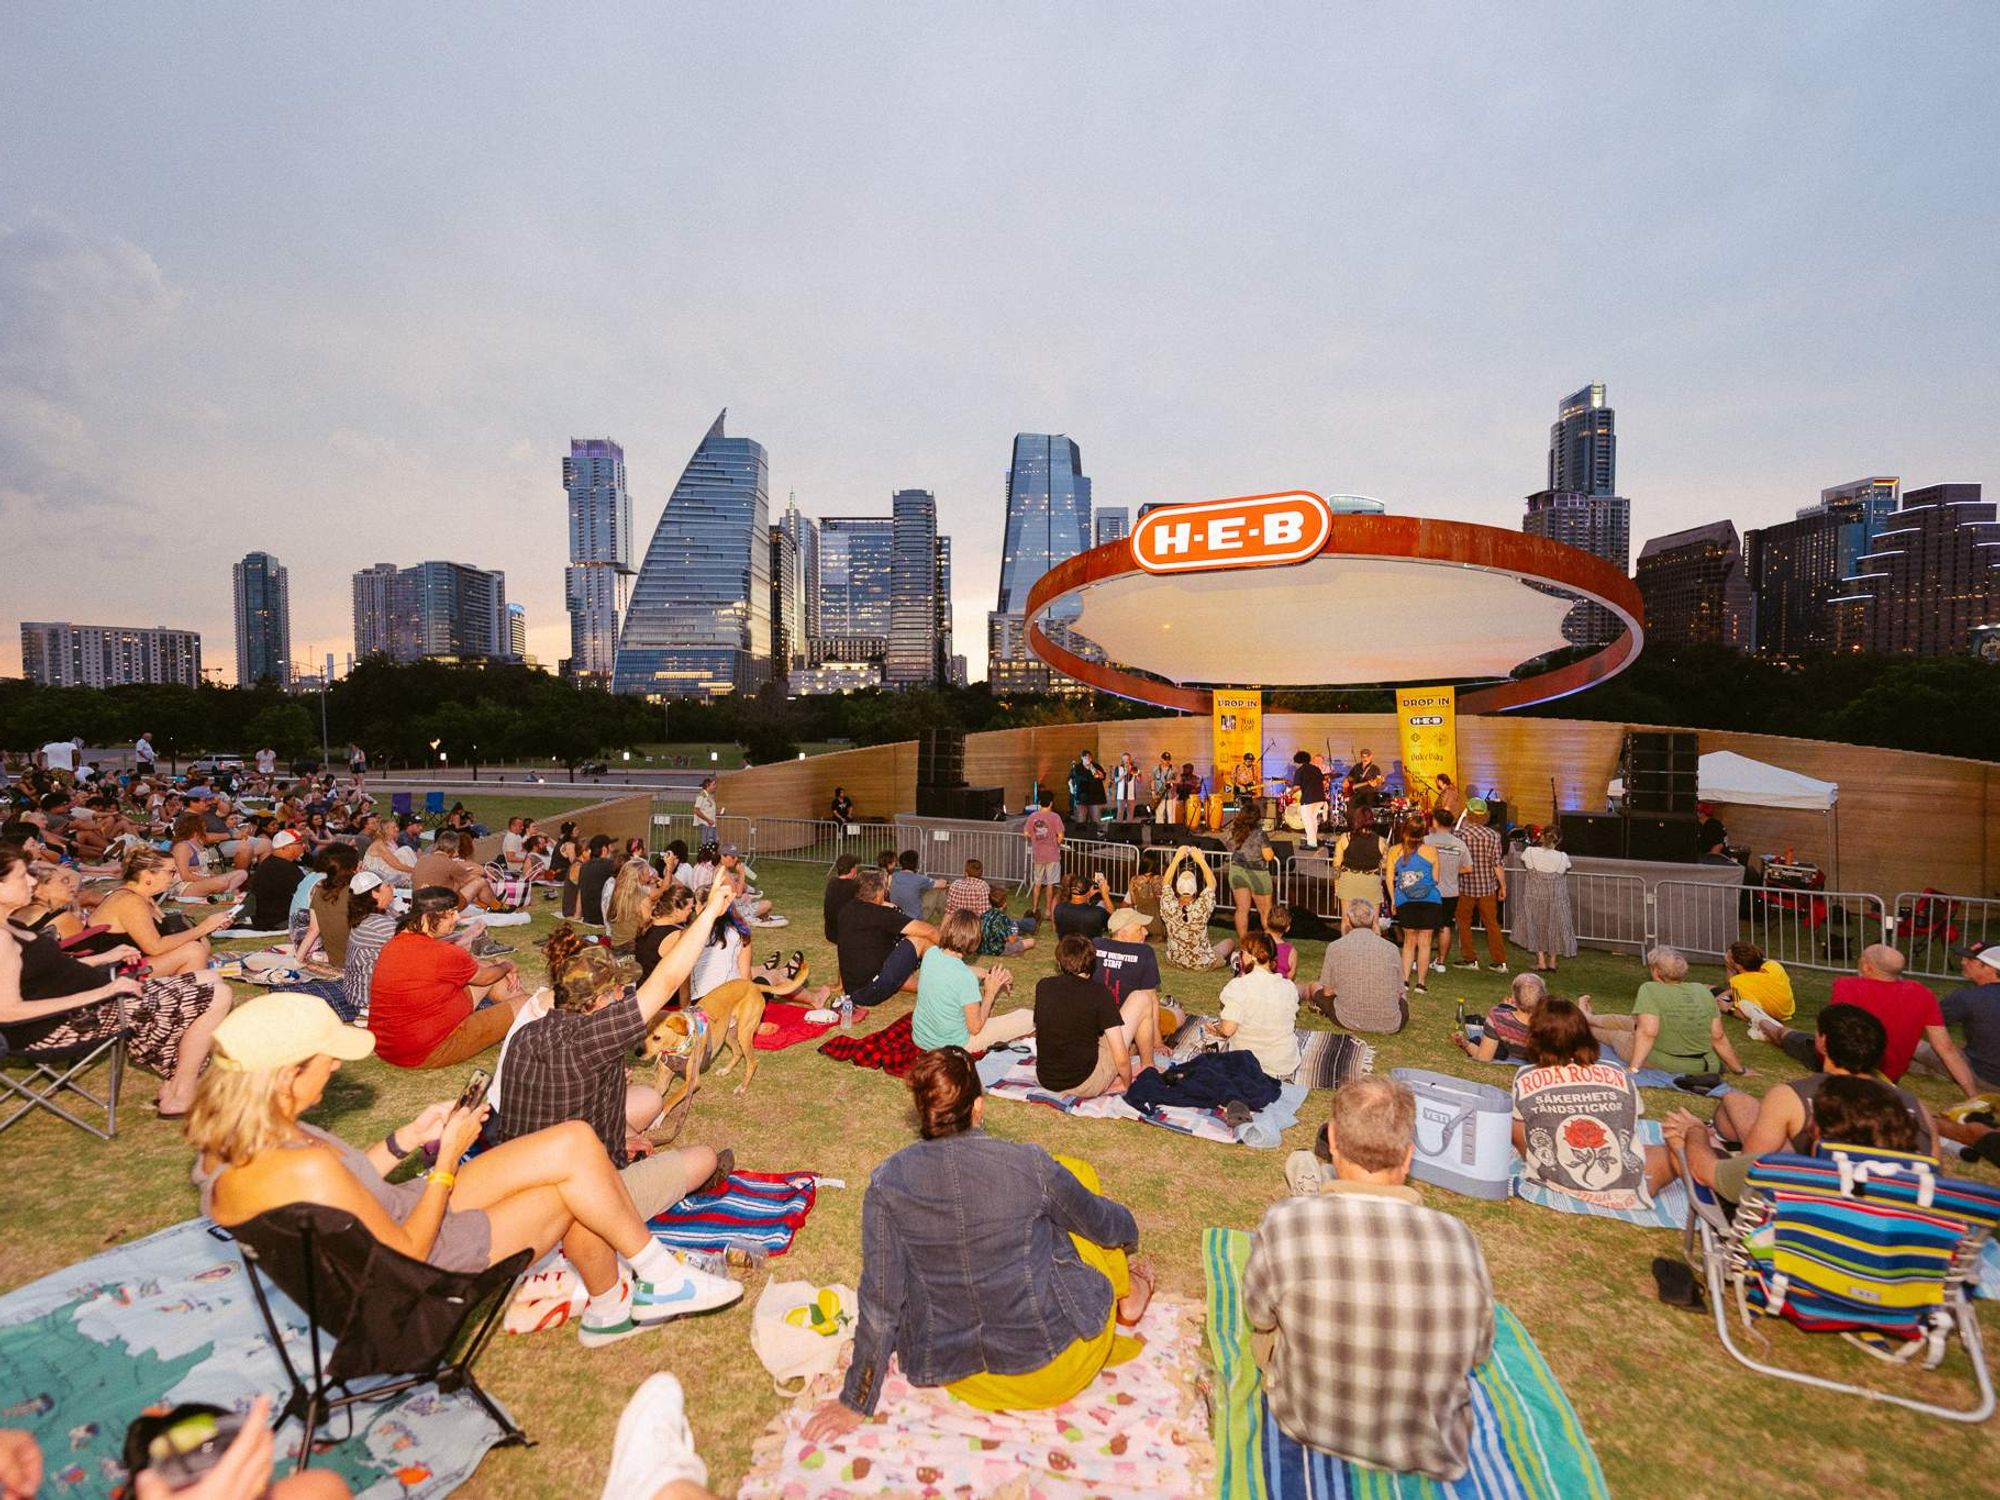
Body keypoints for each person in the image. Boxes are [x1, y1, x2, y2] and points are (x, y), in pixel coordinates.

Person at [187, 991, 741, 1352]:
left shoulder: (235, 1151)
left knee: (573, 1141)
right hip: (422, 1267)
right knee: (574, 1182)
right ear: (283, 1075)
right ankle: (644, 1288)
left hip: (397, 1213)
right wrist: (447, 1161)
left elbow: (352, 1185)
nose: (334, 1068)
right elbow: (407, 1253)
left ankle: (638, 1288)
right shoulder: (301, 1168)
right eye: (325, 1061)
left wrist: (405, 1138)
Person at [802, 1048, 1152, 1438]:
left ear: (924, 1111)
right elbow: (1105, 1225)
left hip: (961, 1375)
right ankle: (1132, 1287)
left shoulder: (888, 1183)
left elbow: (880, 1300)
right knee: (1078, 1185)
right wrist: (1128, 1232)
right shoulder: (1029, 1164)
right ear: (979, 1107)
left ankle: (1125, 1284)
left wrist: (857, 1398)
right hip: (1056, 1366)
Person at [1245, 1076, 1493, 1481]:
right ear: (1409, 1156)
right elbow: (1479, 1351)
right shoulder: (1458, 1239)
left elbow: (1259, 1316)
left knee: (1268, 1333)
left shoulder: (1285, 1222)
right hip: (1428, 1441)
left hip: (1306, 1420)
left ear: (1334, 1145)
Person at [494, 883, 739, 1216]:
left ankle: (622, 1148)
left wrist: (618, 1136)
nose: (624, 996)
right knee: (703, 1158)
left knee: (648, 1099)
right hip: (573, 1193)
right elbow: (667, 979)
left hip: (522, 1169)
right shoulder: (592, 1037)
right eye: (617, 992)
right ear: (595, 1002)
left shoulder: (530, 1031)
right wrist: (710, 912)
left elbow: (560, 1110)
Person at [1, 841, 235, 1117]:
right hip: (65, 1025)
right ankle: (181, 1091)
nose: (31, 881)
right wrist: (105, 991)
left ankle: (178, 1082)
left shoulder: (11, 925)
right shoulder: (2, 939)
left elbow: (47, 970)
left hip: (87, 1006)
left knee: (209, 979)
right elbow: (7, 1010)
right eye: (21, 876)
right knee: (218, 994)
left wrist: (100, 958)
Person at [1667, 1004, 1935, 1205]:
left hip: (1808, 1221)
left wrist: (1695, 1132)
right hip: (1895, 1228)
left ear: (1822, 1042)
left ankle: (1714, 1132)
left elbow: (1753, 1171)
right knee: (1736, 1100)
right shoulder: (1917, 1107)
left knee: (1699, 1132)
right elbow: (1932, 1176)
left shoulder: (1794, 1097)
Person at [1743, 944, 1982, 1097]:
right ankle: (1762, 1021)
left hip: (1843, 1062)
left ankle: (1758, 1018)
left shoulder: (1848, 986)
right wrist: (1972, 1095)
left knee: (1785, 1034)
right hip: (1889, 1072)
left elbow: (1830, 1037)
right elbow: (1946, 1048)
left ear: (1866, 966)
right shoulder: (1922, 994)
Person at [1513, 998, 1675, 1209]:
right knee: (1674, 1150)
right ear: (1585, 1034)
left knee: (1512, 1120)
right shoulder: (1617, 1073)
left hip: (1556, 1177)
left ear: (1535, 1038)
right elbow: (1632, 1118)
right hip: (1619, 1185)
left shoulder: (1525, 1077)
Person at [366, 886, 527, 1069]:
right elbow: (485, 978)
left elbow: (482, 973)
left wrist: (499, 969)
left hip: (389, 1046)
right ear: (428, 917)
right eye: (451, 914)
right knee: (532, 1002)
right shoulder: (443, 953)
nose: (457, 918)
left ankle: (517, 1019)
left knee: (489, 968)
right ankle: (524, 1017)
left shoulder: (392, 945)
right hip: (429, 1050)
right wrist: (508, 965)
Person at [1584, 946, 1749, 1078]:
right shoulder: (1701, 991)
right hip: (1702, 1062)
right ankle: (1587, 1016)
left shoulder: (1650, 989)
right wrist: (1739, 1070)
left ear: (1656, 972)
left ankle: (1582, 1026)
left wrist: (1633, 1068)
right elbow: (1718, 1036)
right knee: (1626, 1021)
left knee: (1612, 1035)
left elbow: (1648, 1032)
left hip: (1663, 1058)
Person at [92, 847, 237, 975]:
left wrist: (210, 927)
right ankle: (189, 993)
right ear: (147, 876)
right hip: (110, 971)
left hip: (128, 962)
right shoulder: (130, 901)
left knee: (200, 943)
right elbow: (155, 947)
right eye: (171, 872)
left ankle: (190, 987)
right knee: (193, 951)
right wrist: (203, 928)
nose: (173, 878)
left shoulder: (145, 897)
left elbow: (169, 934)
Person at [1033, 935, 1143, 1098]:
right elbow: (1120, 1057)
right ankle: (1148, 1064)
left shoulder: (1043, 986)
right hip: (1085, 1082)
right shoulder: (1099, 993)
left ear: (1059, 963)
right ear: (1092, 964)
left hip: (1046, 1078)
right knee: (1142, 998)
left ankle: (1143, 1058)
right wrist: (1126, 1083)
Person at [912, 908, 1034, 1052]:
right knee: (1029, 1017)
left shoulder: (931, 954)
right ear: (975, 941)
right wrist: (990, 993)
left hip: (921, 1038)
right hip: (955, 1045)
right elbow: (975, 1028)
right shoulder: (965, 978)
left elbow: (954, 968)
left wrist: (989, 974)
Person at [836, 868, 939, 1006]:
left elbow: (846, 947)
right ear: (879, 892)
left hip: (854, 990)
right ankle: (950, 971)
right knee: (920, 939)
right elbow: (930, 931)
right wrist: (952, 953)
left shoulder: (847, 909)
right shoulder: (881, 914)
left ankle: (935, 987)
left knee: (895, 948)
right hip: (872, 990)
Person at [1302, 898, 1406, 1033]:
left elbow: (1327, 992)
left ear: (1348, 919)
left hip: (1348, 1019)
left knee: (1314, 987)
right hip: (1390, 1023)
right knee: (1403, 995)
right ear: (1373, 918)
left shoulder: (1335, 947)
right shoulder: (1391, 948)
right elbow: (1399, 992)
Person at [1215, 931, 1301, 1080]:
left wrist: (1218, 1028)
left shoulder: (1238, 986)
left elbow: (1228, 1030)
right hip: (1283, 1062)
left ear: (1249, 956)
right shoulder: (1289, 987)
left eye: (1242, 953)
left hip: (1247, 1062)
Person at [1917, 944, 2000, 1092]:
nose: (1963, 962)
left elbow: (1919, 1023)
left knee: (1910, 1042)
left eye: (1970, 960)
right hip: (1988, 1069)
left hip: (1986, 1077)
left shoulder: (1968, 997)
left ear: (1989, 968)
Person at [1088, 908, 1164, 1045]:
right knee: (1176, 1015)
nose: (1146, 932)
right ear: (1123, 933)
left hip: (1094, 1022)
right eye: (1140, 929)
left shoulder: (1095, 944)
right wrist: (1158, 1042)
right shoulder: (1144, 952)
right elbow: (1151, 998)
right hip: (1127, 1024)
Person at [1451, 798, 1508, 973]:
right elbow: (1497, 863)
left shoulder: (1459, 835)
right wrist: (1503, 886)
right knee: (1492, 924)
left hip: (1465, 886)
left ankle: (1470, 958)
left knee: (1463, 922)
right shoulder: (1493, 835)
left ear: (1468, 813)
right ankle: (1500, 961)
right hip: (1487, 887)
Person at [1386, 818, 1444, 992]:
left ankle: (1404, 980)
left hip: (1405, 900)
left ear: (1404, 831)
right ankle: (1421, 983)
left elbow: (1389, 878)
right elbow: (1435, 879)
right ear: (1423, 833)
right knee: (1425, 942)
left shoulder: (1395, 851)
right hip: (1430, 900)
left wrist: (1394, 900)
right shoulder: (1431, 851)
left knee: (1409, 942)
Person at [1512, 826, 1575, 974]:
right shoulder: (1562, 857)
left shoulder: (1530, 853)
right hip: (1556, 899)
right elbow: (1567, 867)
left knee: (1535, 927)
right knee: (1555, 927)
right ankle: (1552, 962)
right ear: (1558, 840)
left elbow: (1524, 860)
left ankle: (1541, 961)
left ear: (1541, 837)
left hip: (1534, 897)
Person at [293, 842, 362, 970]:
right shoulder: (358, 892)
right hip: (361, 962)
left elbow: (313, 930)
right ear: (352, 868)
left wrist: (298, 960)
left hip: (337, 961)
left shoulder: (319, 892)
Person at [1453, 970, 1548, 1061]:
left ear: (1514, 998)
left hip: (1507, 1049)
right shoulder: (1552, 1021)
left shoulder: (1498, 1017)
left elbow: (1483, 1057)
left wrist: (1465, 1044)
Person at [1222, 802, 1278, 949]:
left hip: (1237, 871)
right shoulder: (1260, 834)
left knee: (1242, 909)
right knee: (1265, 911)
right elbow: (1268, 856)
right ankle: (1269, 944)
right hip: (1257, 874)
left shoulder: (1234, 831)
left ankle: (1243, 943)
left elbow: (1229, 846)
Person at [1422, 806, 1469, 972]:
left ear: (1435, 822)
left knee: (1425, 927)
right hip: (1450, 891)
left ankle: (1422, 960)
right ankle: (1441, 962)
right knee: (1445, 926)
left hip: (1429, 889)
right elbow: (1468, 868)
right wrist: (1452, 870)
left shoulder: (1427, 841)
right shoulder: (1459, 844)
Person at [1160, 846, 1220, 970]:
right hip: (1200, 963)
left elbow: (1165, 882)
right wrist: (1201, 860)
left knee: (1214, 949)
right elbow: (1212, 883)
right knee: (1228, 943)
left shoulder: (1169, 905)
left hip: (1175, 960)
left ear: (1177, 888)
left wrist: (1176, 858)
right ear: (1196, 889)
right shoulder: (1201, 907)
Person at [241, 829, 309, 932]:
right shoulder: (284, 868)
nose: (303, 846)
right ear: (287, 847)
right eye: (299, 843)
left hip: (266, 919)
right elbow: (309, 894)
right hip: (277, 921)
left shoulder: (271, 862)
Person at [170, 812, 247, 900]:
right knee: (222, 883)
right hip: (186, 884)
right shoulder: (182, 846)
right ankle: (225, 893)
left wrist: (214, 877)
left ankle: (225, 893)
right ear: (195, 827)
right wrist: (209, 880)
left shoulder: (199, 842)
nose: (205, 827)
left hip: (204, 878)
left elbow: (205, 868)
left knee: (242, 873)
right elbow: (185, 875)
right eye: (203, 825)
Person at [634, 881, 698, 983]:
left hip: (642, 989)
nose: (691, 911)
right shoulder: (675, 935)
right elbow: (682, 977)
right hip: (661, 995)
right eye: (689, 908)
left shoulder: (648, 924)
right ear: (676, 910)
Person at [1716, 941, 1794, 1024]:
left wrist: (1727, 1008)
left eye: (1729, 957)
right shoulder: (1774, 966)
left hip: (1770, 1014)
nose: (1726, 958)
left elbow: (1745, 1014)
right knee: (1716, 991)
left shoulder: (1738, 982)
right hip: (1786, 1010)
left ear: (1739, 965)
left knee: (1715, 992)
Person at [1331, 806, 1387, 915]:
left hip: (1349, 881)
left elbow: (1336, 865)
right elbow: (1384, 866)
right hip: (1371, 882)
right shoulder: (1381, 841)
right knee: (1373, 922)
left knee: (1347, 920)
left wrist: (1337, 885)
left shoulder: (1344, 838)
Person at [1020, 795, 1065, 925]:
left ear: (1039, 803)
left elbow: (1026, 833)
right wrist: (1056, 843)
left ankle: (1034, 909)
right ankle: (1047, 911)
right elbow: (1060, 835)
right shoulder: (1055, 817)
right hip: (1052, 854)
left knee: (1037, 882)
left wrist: (1036, 836)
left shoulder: (1033, 816)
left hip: (1038, 854)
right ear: (1051, 803)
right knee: (1050, 883)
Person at [605, 860, 656, 952]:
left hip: (615, 944)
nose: (650, 874)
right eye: (648, 871)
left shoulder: (618, 893)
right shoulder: (643, 898)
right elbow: (647, 927)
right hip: (633, 947)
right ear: (640, 875)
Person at [1051, 870, 1115, 941]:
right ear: (1089, 891)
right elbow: (1113, 921)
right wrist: (1105, 895)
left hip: (1066, 949)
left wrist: (1088, 895)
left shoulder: (1059, 908)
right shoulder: (1097, 913)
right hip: (1087, 951)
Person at [978, 884, 1037, 957]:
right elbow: (1011, 940)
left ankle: (1015, 951)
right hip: (997, 949)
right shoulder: (1002, 918)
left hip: (982, 948)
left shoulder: (985, 914)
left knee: (1017, 936)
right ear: (1004, 903)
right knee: (1031, 941)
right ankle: (1014, 952)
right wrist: (1016, 937)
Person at [575, 834, 620, 928]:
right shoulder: (611, 865)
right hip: (604, 918)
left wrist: (577, 914)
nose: (613, 849)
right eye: (611, 846)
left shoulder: (584, 866)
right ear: (604, 849)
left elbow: (580, 891)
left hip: (589, 917)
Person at [1288, 749, 1329, 850]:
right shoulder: (1316, 769)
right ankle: (1313, 839)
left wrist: (1290, 793)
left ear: (1298, 761)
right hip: (1320, 798)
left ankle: (1312, 843)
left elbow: (1297, 787)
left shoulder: (1300, 771)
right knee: (1313, 819)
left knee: (1307, 820)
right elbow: (1323, 782)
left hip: (1309, 798)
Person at [889, 849, 946, 921]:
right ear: (916, 863)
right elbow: (942, 884)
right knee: (939, 891)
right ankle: (946, 919)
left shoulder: (894, 876)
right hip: (914, 918)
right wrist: (945, 881)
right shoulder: (920, 879)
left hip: (897, 914)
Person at [822, 852, 862, 943]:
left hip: (831, 932)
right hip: (846, 934)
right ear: (852, 869)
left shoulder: (832, 883)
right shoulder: (854, 886)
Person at [1126, 849, 1164, 942]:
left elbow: (1133, 902)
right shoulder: (1159, 880)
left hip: (1140, 921)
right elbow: (1162, 903)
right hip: (1156, 923)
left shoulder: (1133, 880)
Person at [1068, 749, 1106, 831]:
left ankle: (1096, 837)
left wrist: (1093, 768)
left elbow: (1102, 776)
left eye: (1089, 757)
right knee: (1081, 819)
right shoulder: (1077, 768)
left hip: (1095, 797)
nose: (1088, 759)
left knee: (1096, 819)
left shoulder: (1096, 766)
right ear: (1082, 758)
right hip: (1081, 797)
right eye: (1085, 757)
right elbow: (1070, 779)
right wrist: (1071, 788)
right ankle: (1081, 837)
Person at [1113, 751, 1140, 822]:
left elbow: (1139, 780)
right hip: (1120, 795)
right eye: (1124, 759)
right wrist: (1124, 774)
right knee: (1120, 812)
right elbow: (1116, 780)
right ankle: (1118, 829)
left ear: (1129, 759)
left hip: (1131, 795)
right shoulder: (1118, 768)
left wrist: (1135, 773)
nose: (1126, 761)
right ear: (1122, 760)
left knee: (1130, 813)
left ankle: (1129, 829)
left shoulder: (1134, 768)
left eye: (1127, 759)